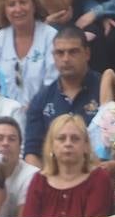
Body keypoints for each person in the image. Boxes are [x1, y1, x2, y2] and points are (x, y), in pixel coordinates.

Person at [21, 113, 114, 217]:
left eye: (75, 139)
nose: (68, 143)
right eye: (61, 138)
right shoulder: (39, 180)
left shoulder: (99, 178)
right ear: (51, 145)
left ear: (86, 146)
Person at [23, 25, 100, 164]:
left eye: (73, 52)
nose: (66, 59)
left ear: (87, 54)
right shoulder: (41, 99)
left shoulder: (104, 89)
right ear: (53, 56)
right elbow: (31, 153)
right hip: (53, 178)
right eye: (60, 53)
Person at [0, 0, 58, 111]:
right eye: (11, 4)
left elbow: (53, 83)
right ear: (4, 10)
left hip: (42, 113)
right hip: (4, 117)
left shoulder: (51, 37)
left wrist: (33, 109)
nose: (18, 9)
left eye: (23, 2)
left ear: (34, 5)